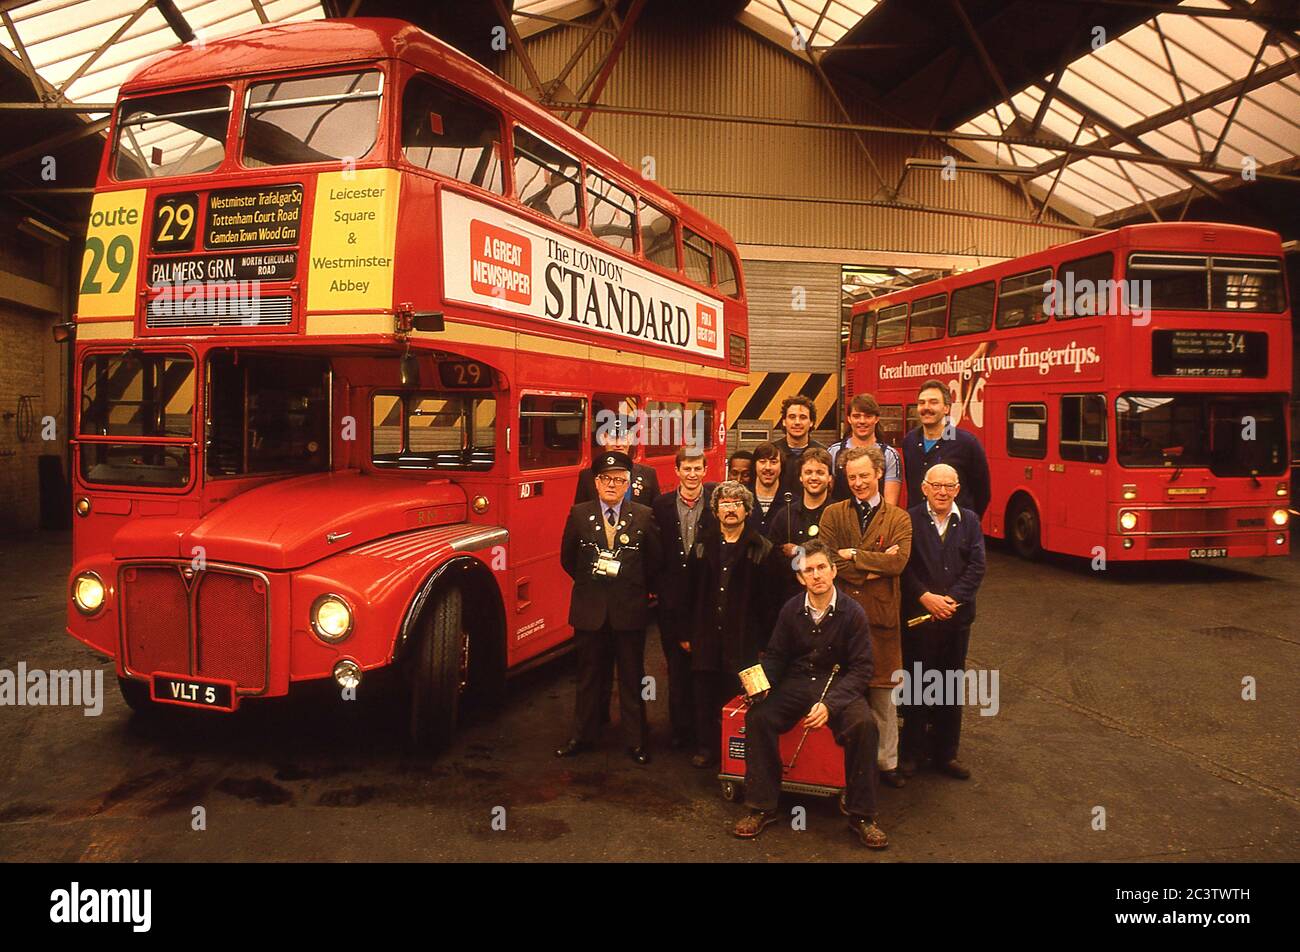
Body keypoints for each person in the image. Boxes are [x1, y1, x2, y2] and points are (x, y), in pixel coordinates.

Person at [731, 540, 887, 849]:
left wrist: (830, 706)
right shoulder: (791, 609)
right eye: (808, 571)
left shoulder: (853, 612)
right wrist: (760, 685)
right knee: (759, 718)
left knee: (865, 725)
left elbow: (861, 669)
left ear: (833, 571)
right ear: (800, 577)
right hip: (796, 682)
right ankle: (761, 807)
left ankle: (862, 816)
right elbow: (776, 656)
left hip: (838, 686)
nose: (815, 576)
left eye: (820, 568)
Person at [556, 451, 663, 765]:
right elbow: (567, 559)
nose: (612, 485)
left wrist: (630, 587)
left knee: (633, 678)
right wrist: (593, 586)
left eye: (619, 479)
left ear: (628, 483)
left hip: (628, 611)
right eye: (606, 479)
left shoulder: (643, 515)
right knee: (588, 677)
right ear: (596, 482)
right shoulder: (579, 514)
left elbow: (654, 562)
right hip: (590, 611)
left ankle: (636, 741)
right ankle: (582, 736)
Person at [817, 445, 912, 788]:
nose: (858, 483)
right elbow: (827, 562)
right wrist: (873, 565)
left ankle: (887, 763)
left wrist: (854, 555)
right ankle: (844, 760)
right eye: (851, 477)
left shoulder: (899, 517)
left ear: (878, 475)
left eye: (864, 476)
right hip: (840, 615)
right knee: (842, 693)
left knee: (884, 695)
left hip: (880, 617)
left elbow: (898, 563)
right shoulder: (832, 514)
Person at [683, 482, 785, 768]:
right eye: (725, 504)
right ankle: (707, 749)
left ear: (747, 510)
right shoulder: (702, 545)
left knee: (742, 700)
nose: (730, 509)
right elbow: (688, 594)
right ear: (715, 511)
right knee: (704, 698)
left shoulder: (763, 549)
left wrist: (767, 646)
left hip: (745, 642)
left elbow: (772, 603)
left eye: (737, 503)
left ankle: (740, 753)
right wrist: (687, 633)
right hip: (706, 638)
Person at [900, 463, 986, 780]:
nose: (942, 492)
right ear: (923, 488)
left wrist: (950, 601)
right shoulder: (908, 520)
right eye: (936, 485)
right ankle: (911, 753)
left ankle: (946, 754)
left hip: (956, 619)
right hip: (920, 620)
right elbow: (904, 568)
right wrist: (926, 597)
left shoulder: (970, 521)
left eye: (949, 486)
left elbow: (977, 566)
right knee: (917, 685)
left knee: (949, 687)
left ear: (957, 489)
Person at [651, 447, 716, 751]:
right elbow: (654, 552)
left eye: (697, 469)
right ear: (676, 471)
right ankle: (680, 731)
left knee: (704, 669)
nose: (692, 475)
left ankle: (706, 734)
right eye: (686, 469)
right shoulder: (661, 505)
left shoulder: (716, 502)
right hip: (672, 603)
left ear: (706, 470)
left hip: (707, 600)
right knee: (676, 667)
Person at [901, 380, 990, 516]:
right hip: (918, 528)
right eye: (921, 402)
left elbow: (982, 493)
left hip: (956, 531)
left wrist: (967, 524)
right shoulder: (909, 441)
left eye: (933, 402)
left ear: (946, 408)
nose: (926, 407)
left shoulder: (967, 443)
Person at [766, 447, 833, 607]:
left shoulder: (838, 514)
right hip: (791, 601)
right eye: (808, 472)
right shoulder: (784, 515)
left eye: (820, 472)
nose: (814, 477)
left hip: (828, 602)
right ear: (801, 477)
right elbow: (773, 560)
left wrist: (798, 552)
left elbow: (837, 557)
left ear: (830, 477)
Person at [828, 394, 902, 505]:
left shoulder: (889, 455)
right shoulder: (834, 452)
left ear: (876, 419)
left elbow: (890, 506)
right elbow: (827, 496)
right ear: (849, 419)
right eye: (856, 416)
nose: (862, 421)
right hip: (840, 520)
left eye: (868, 416)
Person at [574, 415, 660, 507]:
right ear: (604, 438)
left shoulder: (648, 474)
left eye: (623, 438)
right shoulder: (587, 476)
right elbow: (579, 515)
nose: (618, 444)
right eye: (613, 438)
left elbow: (656, 513)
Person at [771, 395, 825, 498]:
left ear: (811, 422)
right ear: (783, 421)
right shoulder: (772, 452)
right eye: (792, 417)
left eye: (803, 417)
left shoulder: (823, 453)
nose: (797, 422)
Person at [749, 442, 785, 534]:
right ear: (754, 465)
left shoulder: (792, 502)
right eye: (762, 461)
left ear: (781, 466)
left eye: (773, 462)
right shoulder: (742, 499)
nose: (768, 467)